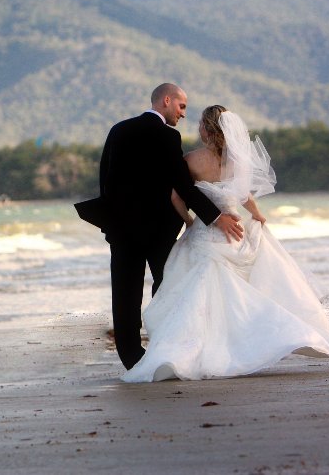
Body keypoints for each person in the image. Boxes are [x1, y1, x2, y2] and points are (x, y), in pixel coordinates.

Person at [121, 106, 329, 382]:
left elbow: (176, 197)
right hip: (235, 232)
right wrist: (258, 216)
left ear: (207, 129)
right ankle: (243, 342)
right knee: (240, 291)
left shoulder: (191, 160)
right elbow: (245, 197)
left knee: (196, 293)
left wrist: (189, 221)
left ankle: (196, 349)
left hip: (206, 233)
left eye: (201, 124)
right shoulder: (238, 161)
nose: (198, 128)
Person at [91, 83, 243, 370]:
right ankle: (165, 347)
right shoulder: (168, 136)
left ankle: (131, 357)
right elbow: (183, 186)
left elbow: (105, 179)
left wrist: (110, 222)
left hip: (121, 230)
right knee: (167, 289)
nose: (183, 114)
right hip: (158, 231)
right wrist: (215, 216)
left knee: (124, 293)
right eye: (181, 106)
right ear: (166, 100)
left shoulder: (118, 130)